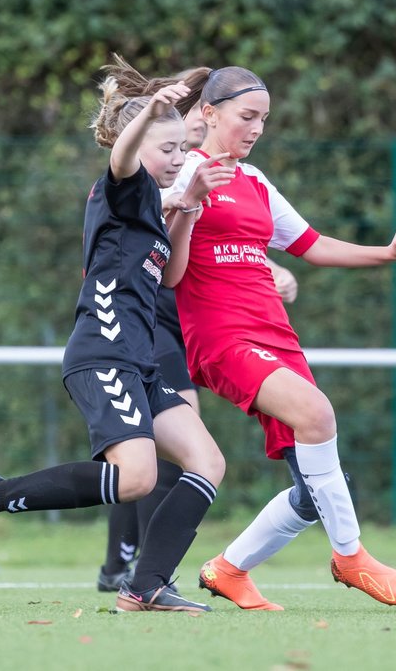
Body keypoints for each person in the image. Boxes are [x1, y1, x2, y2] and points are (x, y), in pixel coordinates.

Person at [0, 72, 233, 613]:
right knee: (138, 478)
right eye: (167, 148)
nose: (178, 157)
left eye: (182, 149)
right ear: (139, 141)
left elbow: (171, 277)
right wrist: (150, 113)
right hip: (105, 353)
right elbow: (122, 158)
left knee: (207, 462)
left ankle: (146, 586)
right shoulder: (124, 188)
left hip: (140, 362)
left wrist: (187, 207)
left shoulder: (152, 206)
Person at [162, 65, 396, 611]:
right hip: (222, 337)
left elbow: (310, 243)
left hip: (274, 334)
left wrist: (386, 252)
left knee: (317, 488)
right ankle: (350, 558)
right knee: (317, 414)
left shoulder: (255, 180)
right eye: (247, 116)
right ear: (209, 113)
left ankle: (229, 569)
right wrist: (186, 201)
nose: (257, 127)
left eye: (264, 118)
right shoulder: (181, 173)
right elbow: (167, 268)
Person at [95, 75, 300, 592]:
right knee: (161, 448)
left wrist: (266, 270)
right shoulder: (153, 174)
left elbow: (222, 241)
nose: (182, 146)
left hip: (193, 321)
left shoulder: (205, 167)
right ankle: (132, 568)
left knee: (169, 450)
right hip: (151, 323)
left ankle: (134, 570)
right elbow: (156, 216)